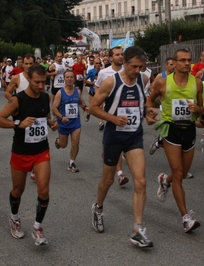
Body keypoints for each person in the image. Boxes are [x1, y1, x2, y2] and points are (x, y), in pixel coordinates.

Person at [90, 46, 153, 247]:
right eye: (134, 66)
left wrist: (148, 112)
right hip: (114, 137)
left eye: (141, 67)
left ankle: (138, 228)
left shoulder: (143, 80)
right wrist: (113, 118)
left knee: (141, 181)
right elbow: (93, 107)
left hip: (134, 137)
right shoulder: (111, 82)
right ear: (124, 63)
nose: (137, 70)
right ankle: (98, 208)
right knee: (107, 181)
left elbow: (142, 104)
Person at [0, 64, 57, 246]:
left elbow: (45, 118)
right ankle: (14, 217)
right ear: (28, 79)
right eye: (36, 82)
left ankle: (37, 226)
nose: (40, 86)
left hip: (41, 150)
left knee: (44, 190)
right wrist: (18, 124)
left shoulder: (46, 97)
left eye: (43, 82)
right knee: (17, 190)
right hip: (21, 151)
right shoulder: (17, 100)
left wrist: (51, 124)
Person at [148, 48, 204, 233]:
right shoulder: (163, 82)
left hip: (189, 130)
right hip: (171, 130)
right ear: (175, 62)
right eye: (183, 60)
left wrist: (198, 110)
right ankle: (186, 218)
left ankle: (164, 180)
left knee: (183, 172)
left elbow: (202, 109)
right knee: (179, 173)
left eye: (189, 60)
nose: (187, 63)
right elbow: (150, 101)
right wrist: (149, 114)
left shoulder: (197, 83)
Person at [94, 46, 129, 185]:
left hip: (127, 111)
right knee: (116, 141)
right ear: (110, 57)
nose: (120, 56)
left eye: (122, 54)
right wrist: (99, 99)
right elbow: (97, 86)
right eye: (117, 54)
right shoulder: (104, 73)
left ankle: (116, 164)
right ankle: (120, 172)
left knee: (123, 141)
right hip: (111, 112)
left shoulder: (128, 71)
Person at [52, 70, 88, 172]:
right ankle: (58, 141)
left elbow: (81, 102)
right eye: (67, 77)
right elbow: (54, 108)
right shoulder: (60, 92)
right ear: (64, 79)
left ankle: (72, 163)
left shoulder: (78, 91)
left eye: (71, 77)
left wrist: (85, 108)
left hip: (75, 122)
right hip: (63, 123)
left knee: (75, 143)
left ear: (74, 78)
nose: (69, 79)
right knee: (63, 145)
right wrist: (61, 116)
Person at [84, 58, 101, 123]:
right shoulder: (91, 71)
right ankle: (89, 113)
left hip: (100, 91)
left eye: (99, 63)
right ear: (94, 64)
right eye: (97, 63)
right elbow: (85, 80)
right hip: (92, 90)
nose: (98, 64)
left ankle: (101, 122)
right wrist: (92, 83)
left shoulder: (103, 71)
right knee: (91, 106)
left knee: (100, 107)